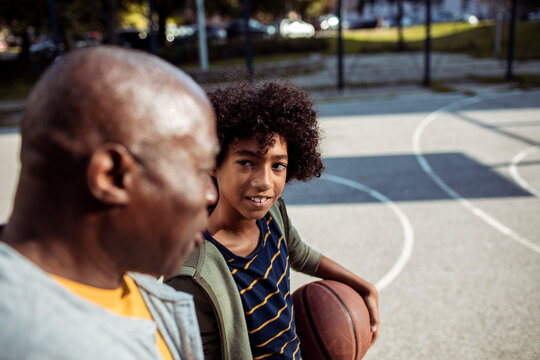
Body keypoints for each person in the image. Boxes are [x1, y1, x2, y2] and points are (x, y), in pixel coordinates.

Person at [0, 46, 219, 359]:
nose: (211, 194)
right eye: (199, 171)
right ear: (112, 176)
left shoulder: (126, 282)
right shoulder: (34, 342)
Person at [166, 80, 380, 360]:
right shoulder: (193, 276)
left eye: (277, 165)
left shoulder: (273, 215)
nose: (264, 182)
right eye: (246, 162)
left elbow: (299, 253)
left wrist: (364, 286)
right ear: (213, 164)